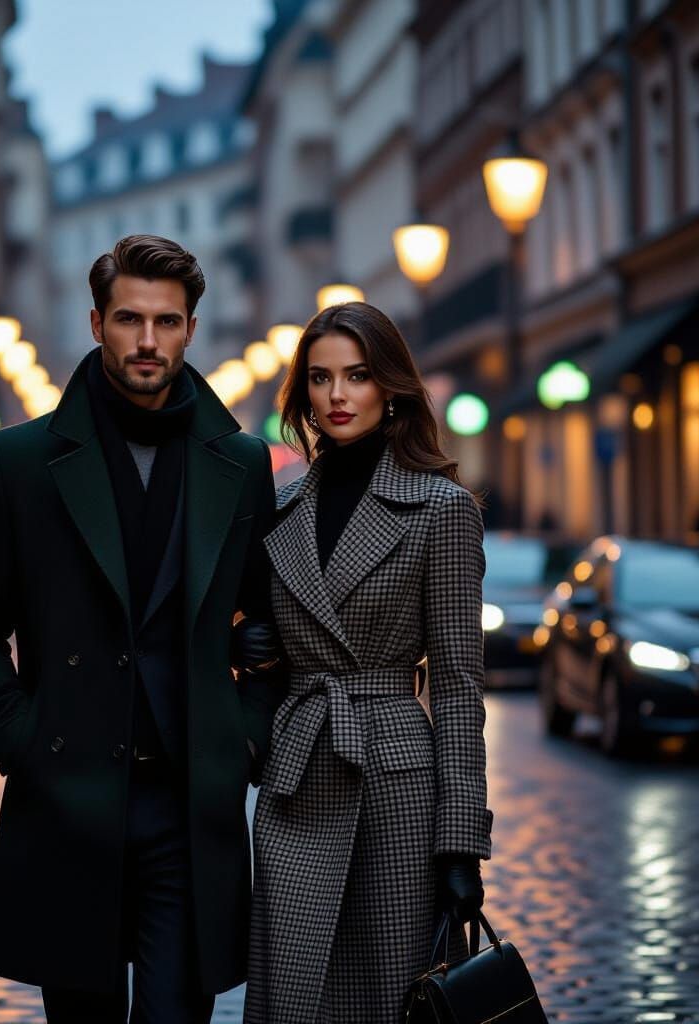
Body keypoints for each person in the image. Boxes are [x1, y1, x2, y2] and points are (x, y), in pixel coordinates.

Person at [0, 235, 282, 1024]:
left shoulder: (241, 463)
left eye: (167, 322)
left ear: (193, 328)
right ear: (97, 323)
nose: (148, 341)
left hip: (190, 809)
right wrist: (22, 741)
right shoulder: (20, 461)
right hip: (70, 797)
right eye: (130, 319)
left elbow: (272, 626)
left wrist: (244, 740)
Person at [244, 302, 494, 1024]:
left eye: (357, 375)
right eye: (319, 378)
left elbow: (456, 684)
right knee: (292, 998)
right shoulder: (282, 511)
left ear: (391, 388)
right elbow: (263, 648)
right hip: (297, 780)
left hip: (395, 789)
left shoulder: (442, 510)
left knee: (390, 1000)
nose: (337, 395)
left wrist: (460, 841)